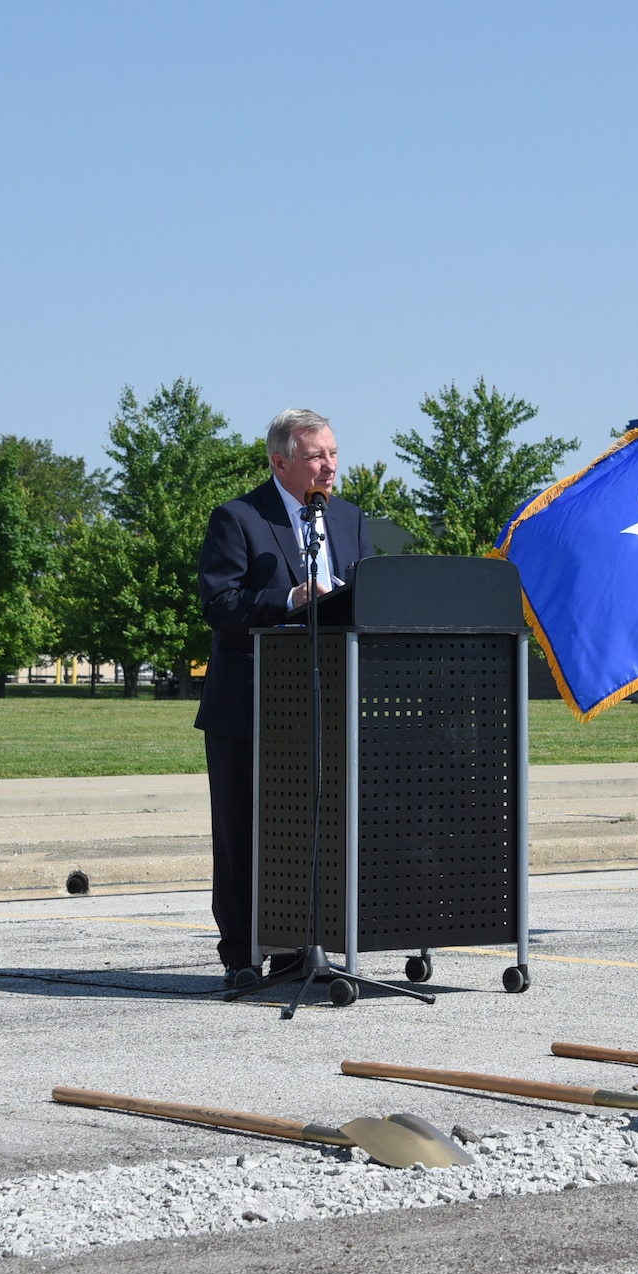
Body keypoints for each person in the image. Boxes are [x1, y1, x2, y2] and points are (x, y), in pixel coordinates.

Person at [195, 408, 364, 990]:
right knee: (243, 833)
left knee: (316, 829)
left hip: (324, 708)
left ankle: (304, 948)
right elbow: (219, 605)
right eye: (317, 456)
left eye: (334, 454)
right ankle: (242, 954)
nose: (330, 466)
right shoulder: (239, 519)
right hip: (249, 707)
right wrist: (290, 597)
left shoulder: (348, 520)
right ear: (280, 462)